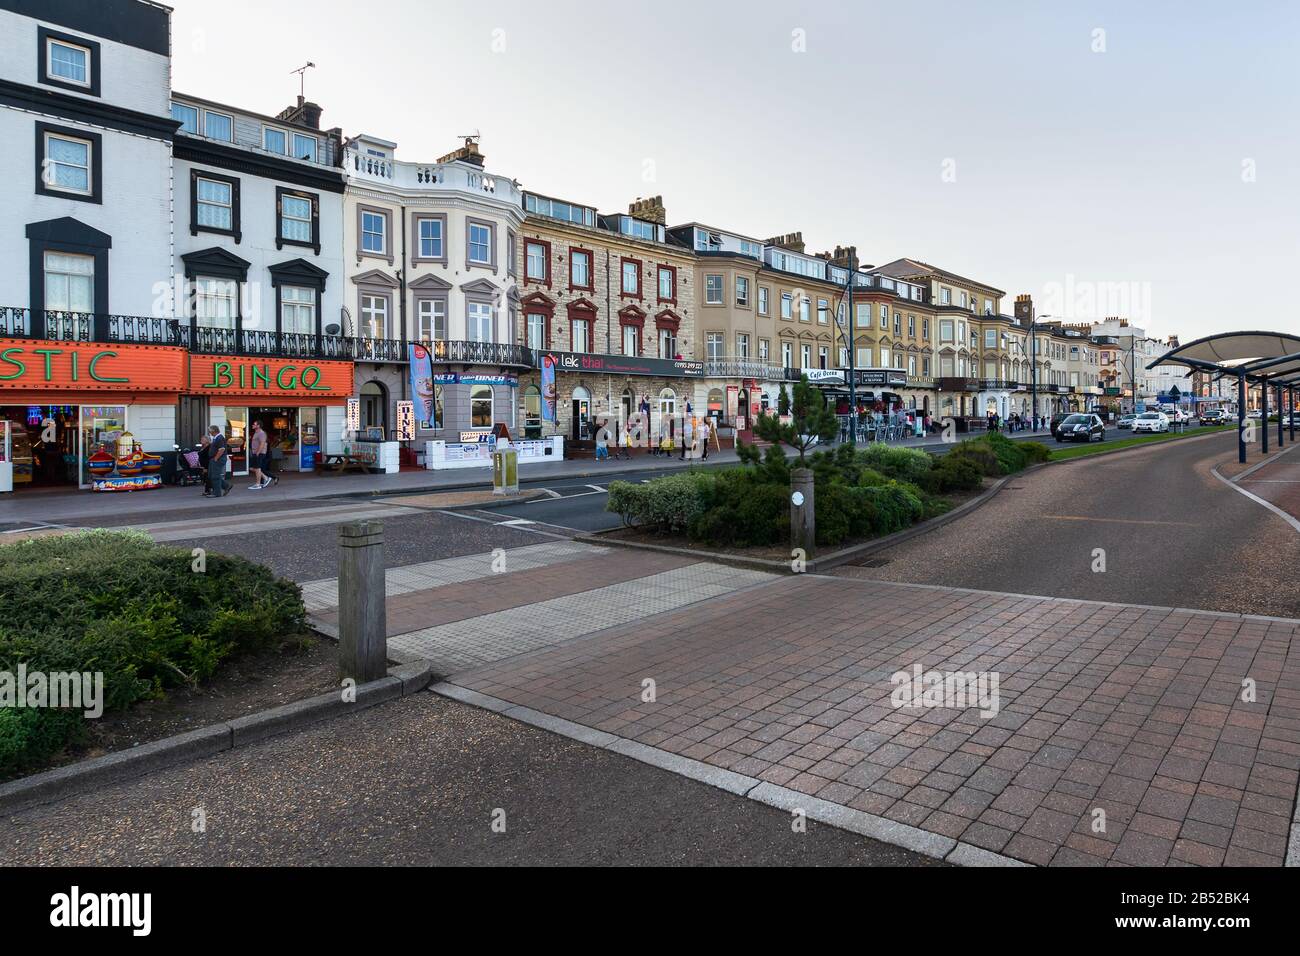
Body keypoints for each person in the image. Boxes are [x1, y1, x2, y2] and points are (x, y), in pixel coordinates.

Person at [205, 425, 230, 498]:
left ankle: (217, 493)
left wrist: (216, 458)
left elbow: (221, 449)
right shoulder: (216, 438)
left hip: (218, 459)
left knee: (215, 476)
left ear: (213, 431)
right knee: (211, 475)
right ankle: (226, 485)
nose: (209, 432)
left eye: (210, 431)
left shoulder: (219, 438)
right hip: (214, 459)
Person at [248, 420, 270, 490]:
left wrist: (258, 452)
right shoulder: (256, 433)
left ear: (258, 426)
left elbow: (262, 443)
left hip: (259, 453)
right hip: (255, 453)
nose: (252, 425)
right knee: (252, 468)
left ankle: (258, 484)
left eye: (254, 424)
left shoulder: (261, 433)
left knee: (257, 468)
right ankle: (266, 478)